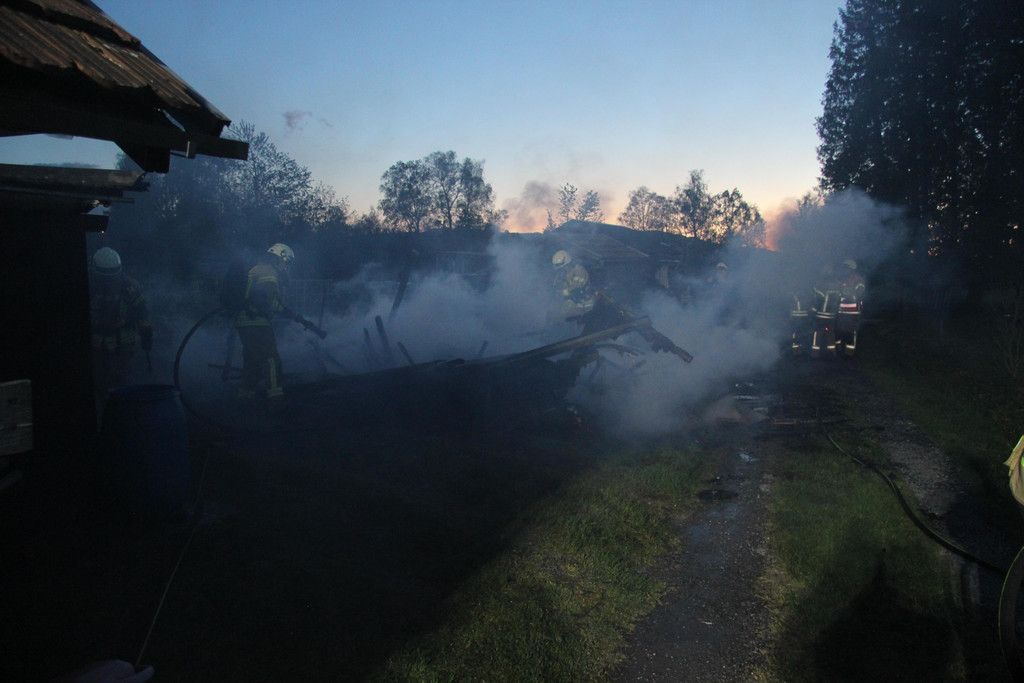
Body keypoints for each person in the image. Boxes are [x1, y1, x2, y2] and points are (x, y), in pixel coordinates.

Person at [234, 243, 301, 400]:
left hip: (244, 321)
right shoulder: (269, 272)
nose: (286, 267)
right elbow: (268, 302)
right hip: (257, 321)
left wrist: (291, 314)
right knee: (270, 359)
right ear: (280, 258)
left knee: (251, 360)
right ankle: (275, 398)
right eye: (287, 262)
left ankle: (245, 397)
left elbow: (262, 298)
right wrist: (288, 313)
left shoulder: (257, 268)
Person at [89, 247, 152, 398]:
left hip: (122, 346)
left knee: (121, 383)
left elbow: (142, 313)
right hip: (96, 346)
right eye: (105, 276)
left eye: (112, 276)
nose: (109, 281)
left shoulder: (130, 287)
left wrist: (146, 335)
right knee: (98, 382)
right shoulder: (90, 286)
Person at [835, 258, 866, 356]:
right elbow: (837, 293)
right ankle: (838, 351)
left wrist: (846, 292)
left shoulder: (858, 279)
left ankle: (849, 354)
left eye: (846, 268)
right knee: (839, 331)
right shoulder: (841, 279)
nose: (843, 270)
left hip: (853, 312)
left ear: (852, 268)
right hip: (841, 311)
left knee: (850, 333)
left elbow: (859, 292)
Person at [811, 263, 841, 358]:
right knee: (830, 333)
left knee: (818, 333)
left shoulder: (821, 284)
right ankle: (832, 353)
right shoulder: (837, 284)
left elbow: (818, 299)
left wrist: (813, 310)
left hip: (821, 314)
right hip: (832, 315)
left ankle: (815, 354)